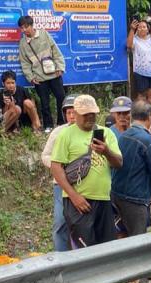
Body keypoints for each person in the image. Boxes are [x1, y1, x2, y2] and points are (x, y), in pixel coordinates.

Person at [50, 95, 122, 248]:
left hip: (103, 199)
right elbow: (56, 168)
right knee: (83, 248)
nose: (90, 117)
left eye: (93, 114)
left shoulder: (107, 133)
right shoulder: (65, 135)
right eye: (85, 114)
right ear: (75, 114)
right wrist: (74, 196)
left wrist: (106, 151)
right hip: (78, 201)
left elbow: (119, 163)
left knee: (107, 247)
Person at [111, 100, 151, 238]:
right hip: (136, 198)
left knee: (122, 235)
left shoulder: (123, 135)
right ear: (150, 116)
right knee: (138, 239)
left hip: (117, 194)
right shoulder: (147, 141)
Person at [41, 95, 77, 252]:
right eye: (68, 113)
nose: (71, 116)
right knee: (60, 222)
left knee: (81, 223)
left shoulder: (92, 130)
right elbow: (45, 155)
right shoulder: (58, 132)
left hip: (84, 183)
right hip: (60, 184)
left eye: (74, 112)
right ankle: (60, 260)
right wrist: (58, 166)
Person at [18, 15, 65, 132]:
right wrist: (31, 77)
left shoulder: (44, 34)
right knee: (44, 103)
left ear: (31, 25)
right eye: (21, 28)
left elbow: (56, 51)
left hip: (54, 73)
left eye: (25, 27)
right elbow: (24, 62)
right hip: (39, 77)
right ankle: (48, 125)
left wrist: (60, 67)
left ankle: (61, 122)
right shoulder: (23, 43)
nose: (24, 30)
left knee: (61, 97)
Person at [128, 17, 151, 105]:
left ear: (148, 29)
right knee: (142, 94)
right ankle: (141, 114)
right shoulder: (135, 40)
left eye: (144, 27)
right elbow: (129, 45)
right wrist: (132, 30)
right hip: (140, 71)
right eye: (139, 27)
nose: (142, 28)